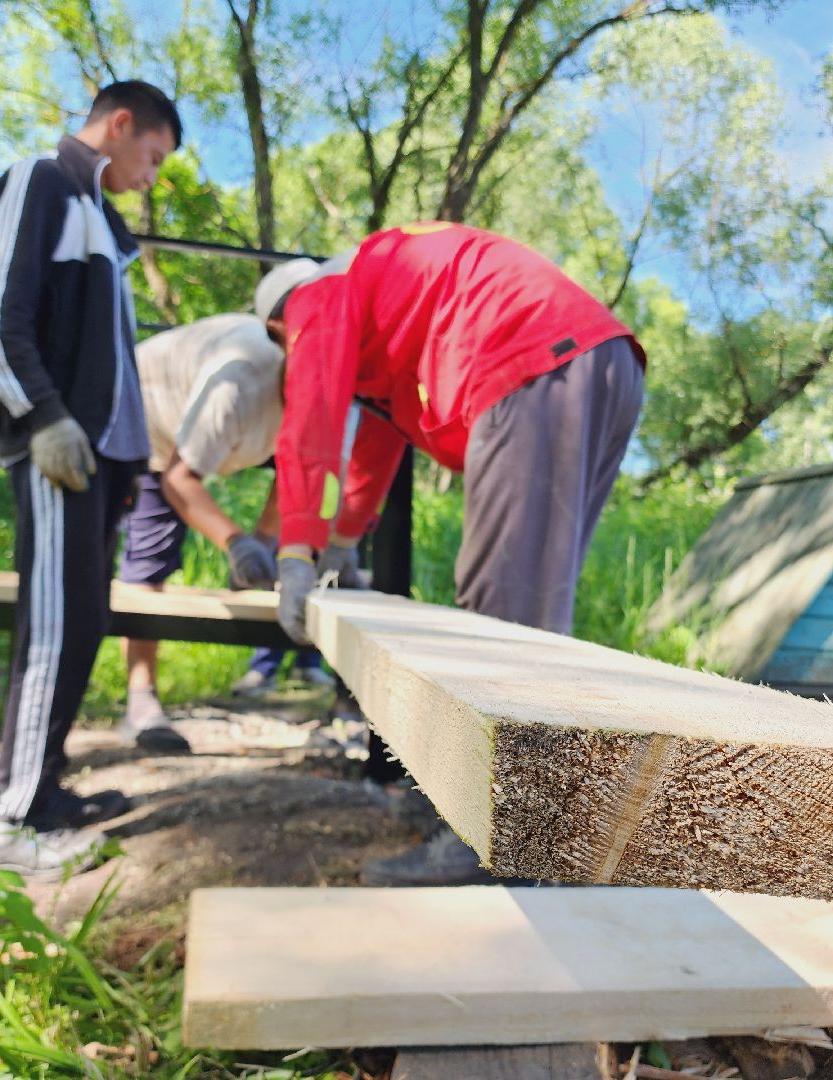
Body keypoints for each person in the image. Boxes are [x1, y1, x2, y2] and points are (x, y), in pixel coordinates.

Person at [257, 222, 647, 885]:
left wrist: (295, 549)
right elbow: (373, 452)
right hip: (600, 361)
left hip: (531, 357)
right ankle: (526, 826)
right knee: (532, 610)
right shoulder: (384, 309)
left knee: (502, 616)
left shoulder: (318, 294)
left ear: (280, 320)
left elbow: (312, 416)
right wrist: (342, 548)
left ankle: (489, 842)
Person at [0, 80, 182, 879]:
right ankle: (16, 818)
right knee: (54, 628)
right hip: (59, 447)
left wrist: (128, 463)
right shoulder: (44, 181)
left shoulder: (108, 226)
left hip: (101, 462)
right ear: (120, 124)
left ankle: (48, 789)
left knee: (86, 624)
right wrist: (42, 417)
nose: (152, 175)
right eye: (153, 156)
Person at [116, 311, 331, 748]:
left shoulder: (329, 400)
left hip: (207, 426)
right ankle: (141, 701)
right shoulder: (237, 384)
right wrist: (235, 543)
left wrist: (267, 541)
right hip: (148, 421)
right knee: (149, 560)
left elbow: (296, 475)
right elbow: (179, 478)